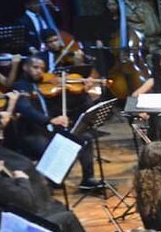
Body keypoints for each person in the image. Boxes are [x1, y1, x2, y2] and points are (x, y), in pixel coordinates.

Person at [10, 56, 99, 189]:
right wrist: (49, 120)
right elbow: (26, 109)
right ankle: (54, 180)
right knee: (54, 148)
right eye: (35, 68)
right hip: (32, 131)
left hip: (52, 128)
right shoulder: (20, 86)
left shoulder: (49, 85)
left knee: (85, 138)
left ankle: (88, 179)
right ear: (25, 67)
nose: (39, 71)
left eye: (42, 69)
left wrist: (82, 93)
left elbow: (74, 104)